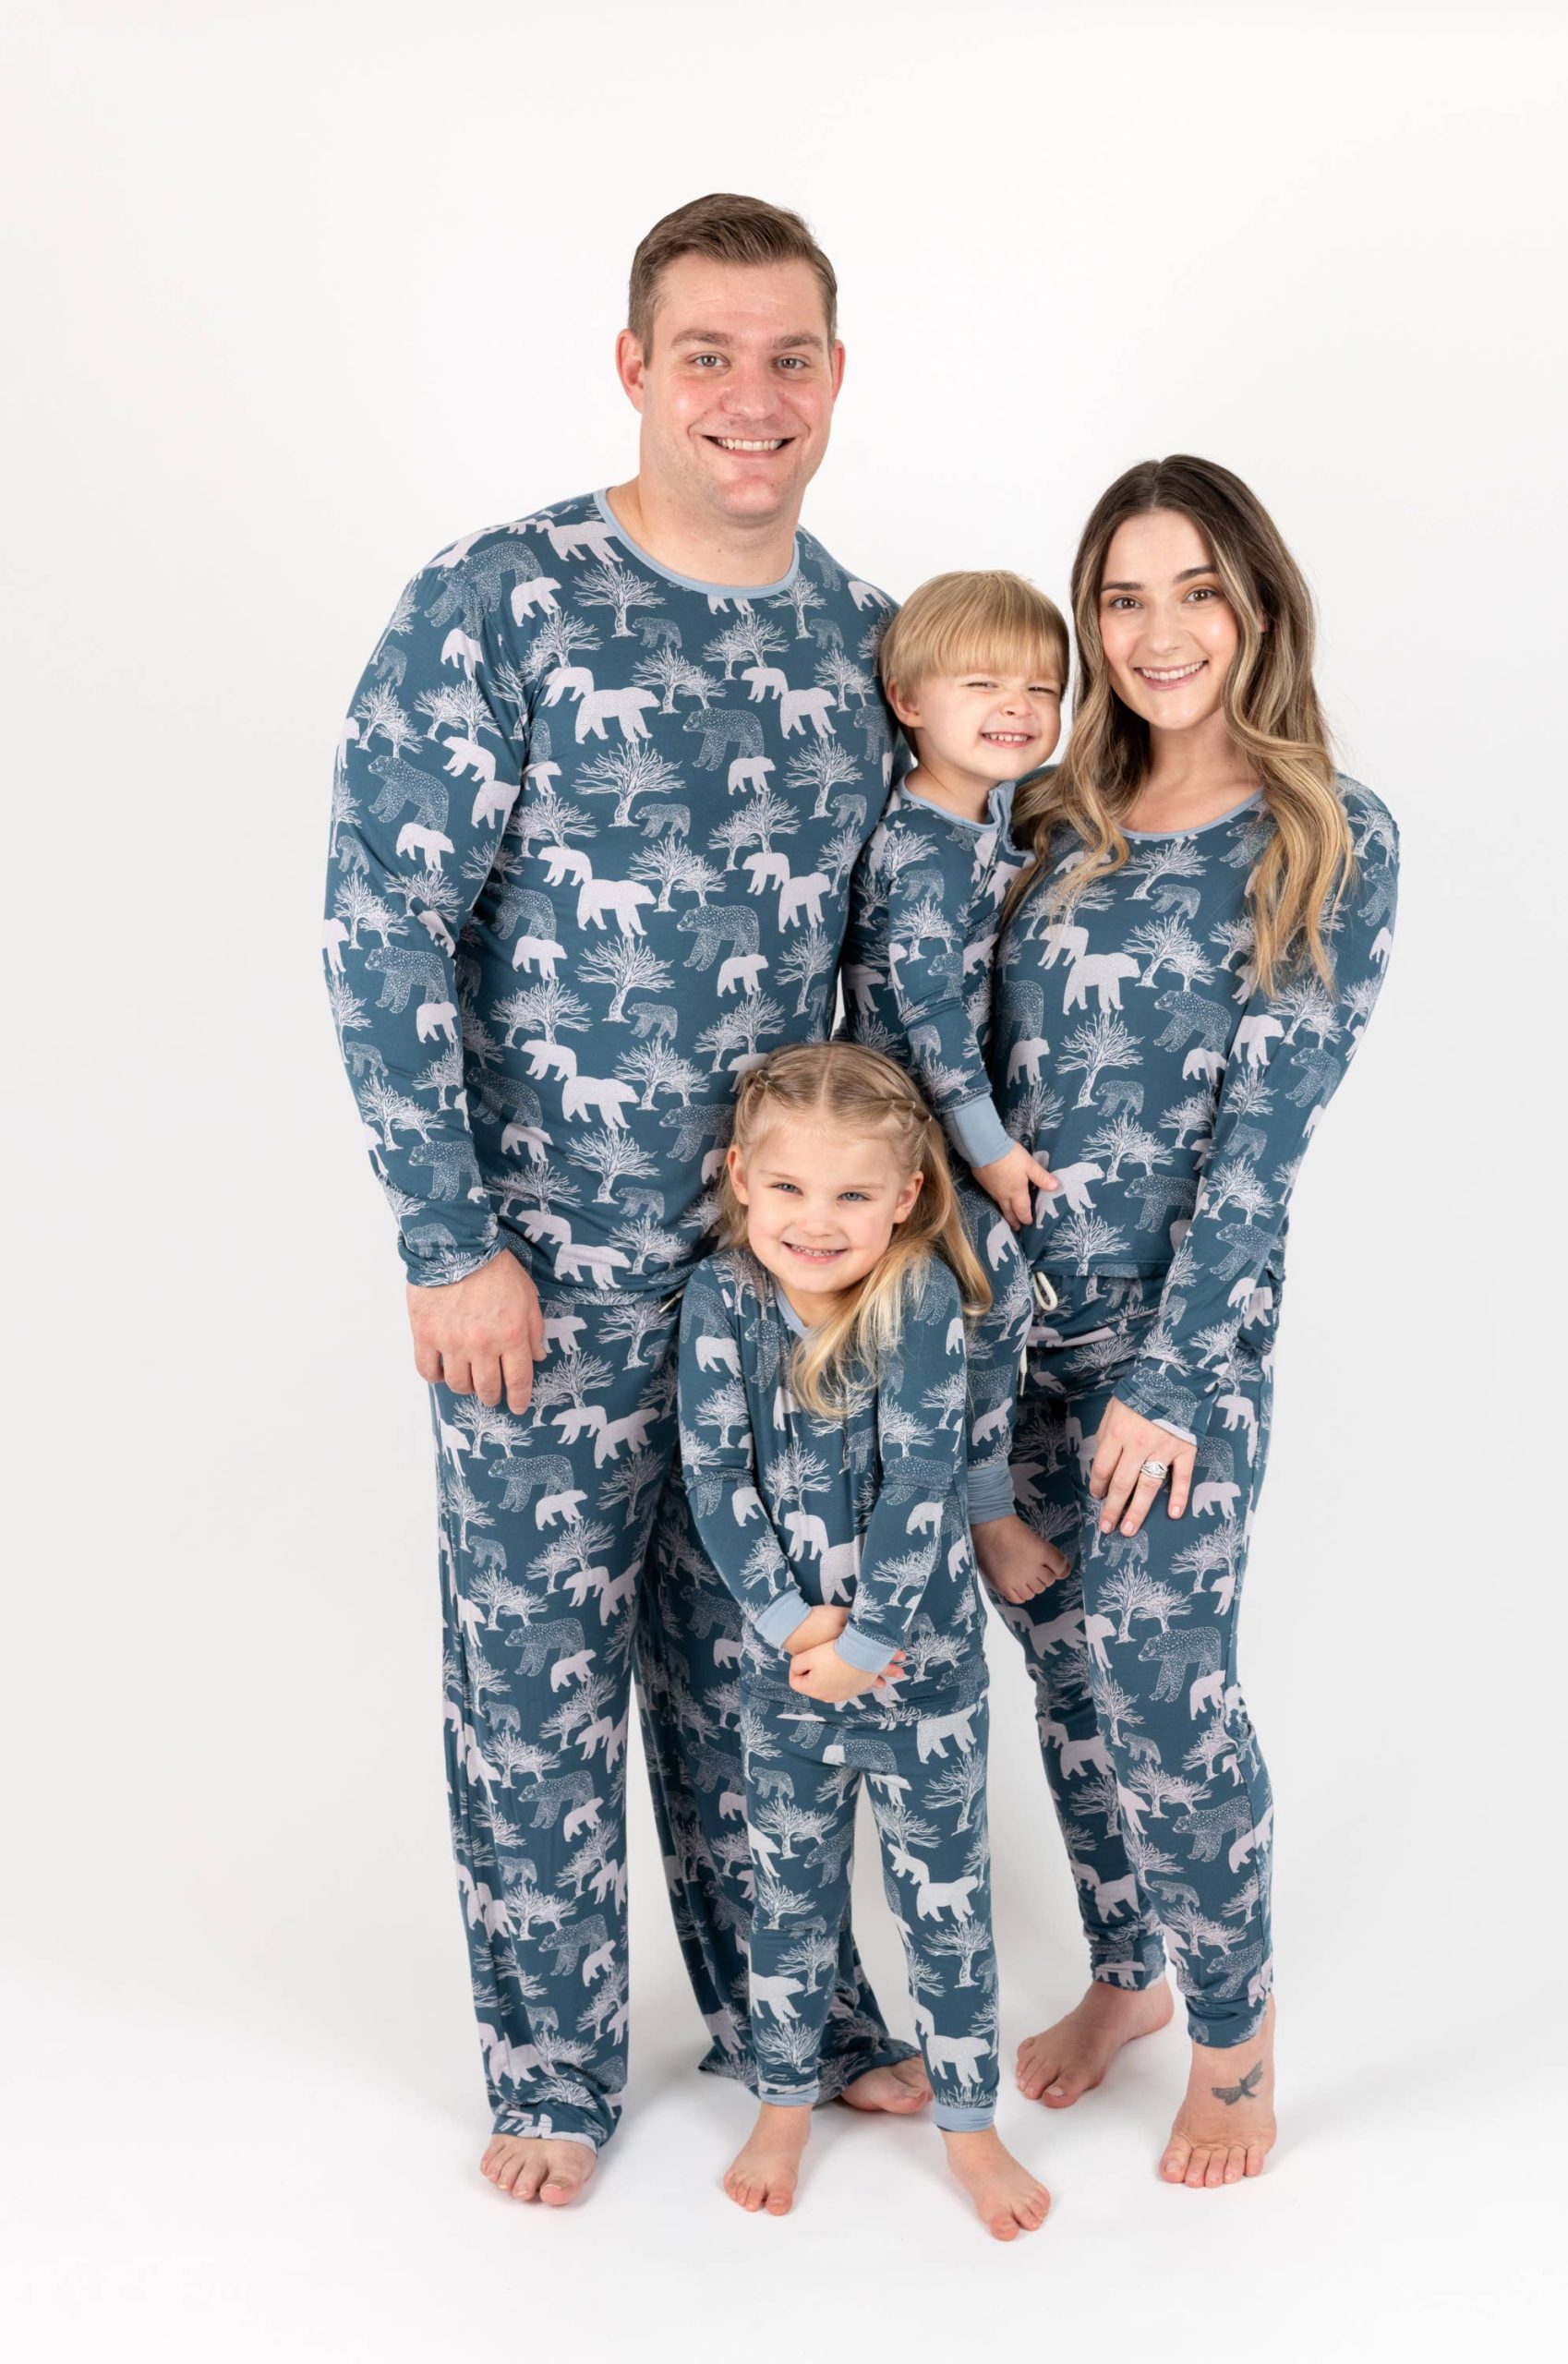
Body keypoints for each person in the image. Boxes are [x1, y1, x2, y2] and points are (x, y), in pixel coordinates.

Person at [322, 194, 938, 2209]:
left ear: (833, 377)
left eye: (787, 359)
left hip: (783, 1278)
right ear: (634, 369)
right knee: (534, 1674)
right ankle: (551, 2068)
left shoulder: (865, 642)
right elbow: (383, 927)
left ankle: (795, 2017)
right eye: (707, 357)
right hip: (542, 1273)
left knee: (767, 1657)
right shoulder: (498, 602)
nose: (749, 399)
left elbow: (890, 969)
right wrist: (447, 1239)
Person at [985, 455, 1401, 2188]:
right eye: (1121, 598)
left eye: (1196, 592)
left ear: (1257, 608)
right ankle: (1126, 1973)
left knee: (1162, 1692)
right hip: (1003, 1351)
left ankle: (1232, 2045)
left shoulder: (1325, 837)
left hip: (1179, 1362)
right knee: (1063, 1677)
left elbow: (1260, 1144)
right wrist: (961, 1404)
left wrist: (1166, 1385)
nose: (1158, 633)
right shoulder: (1037, 818)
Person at [677, 1043, 1051, 2240]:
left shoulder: (919, 1296)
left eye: (851, 1193)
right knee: (787, 1903)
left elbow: (920, 1477)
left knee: (946, 1906)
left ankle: (970, 2127)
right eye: (789, 1187)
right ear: (741, 1177)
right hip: (786, 1681)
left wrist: (872, 1633)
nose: (816, 1220)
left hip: (922, 1681)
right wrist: (796, 1628)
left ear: (904, 1196)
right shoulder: (721, 1302)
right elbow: (713, 1477)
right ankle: (783, 2107)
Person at [838, 569, 1071, 1609]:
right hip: (915, 1127)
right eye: (982, 684)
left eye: (1042, 688)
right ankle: (985, 1509)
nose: (1017, 707)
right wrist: (987, 1148)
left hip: (949, 1114)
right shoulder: (924, 844)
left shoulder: (990, 809)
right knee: (995, 1288)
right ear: (907, 701)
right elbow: (929, 1011)